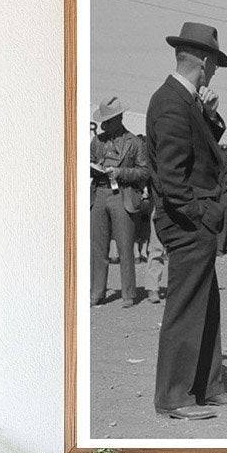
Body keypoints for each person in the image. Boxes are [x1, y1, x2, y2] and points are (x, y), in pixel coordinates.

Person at [147, 21, 227, 420]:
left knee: (207, 305)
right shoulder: (171, 103)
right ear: (202, 63)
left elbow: (202, 150)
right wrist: (204, 215)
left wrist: (209, 114)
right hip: (187, 222)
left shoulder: (184, 102)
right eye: (214, 64)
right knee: (186, 308)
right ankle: (174, 397)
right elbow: (172, 179)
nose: (216, 71)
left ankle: (205, 386)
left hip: (192, 220)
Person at [89, 96, 149, 307]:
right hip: (99, 195)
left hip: (122, 196)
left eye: (110, 119)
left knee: (125, 248)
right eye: (104, 120)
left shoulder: (135, 142)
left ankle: (128, 294)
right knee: (97, 248)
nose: (105, 124)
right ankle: (96, 293)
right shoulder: (97, 141)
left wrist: (120, 172)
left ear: (119, 118)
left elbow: (144, 172)